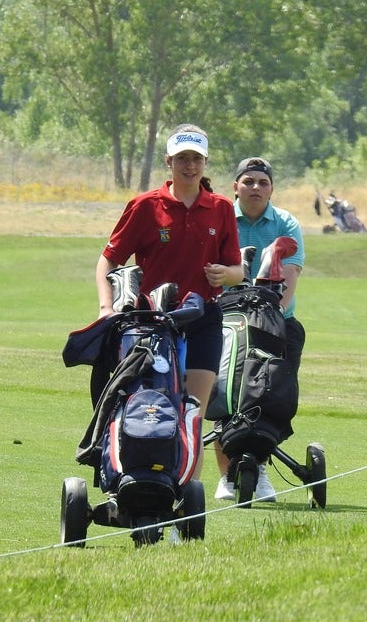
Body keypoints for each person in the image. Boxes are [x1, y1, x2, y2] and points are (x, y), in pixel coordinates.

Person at [95, 123, 244, 477]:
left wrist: (226, 274)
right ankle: (142, 483)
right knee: (152, 408)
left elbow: (238, 268)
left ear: (205, 162)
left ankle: (182, 510)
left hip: (202, 319)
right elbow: (108, 260)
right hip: (151, 323)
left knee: (191, 414)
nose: (189, 166)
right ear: (169, 161)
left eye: (195, 158)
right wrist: (106, 306)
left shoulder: (221, 208)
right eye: (181, 158)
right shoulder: (147, 206)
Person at [213, 156, 306, 502]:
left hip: (277, 323)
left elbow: (291, 276)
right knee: (224, 397)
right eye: (248, 181)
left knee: (270, 396)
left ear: (271, 189)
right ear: (235, 186)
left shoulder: (285, 222)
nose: (255, 187)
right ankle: (227, 476)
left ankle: (259, 468)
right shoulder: (219, 216)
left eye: (262, 182)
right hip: (226, 320)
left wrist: (269, 317)